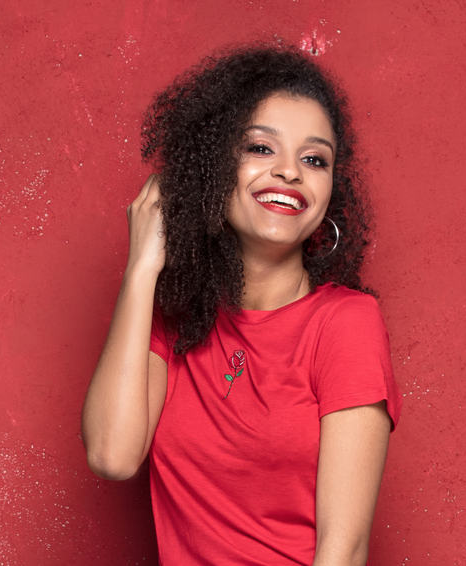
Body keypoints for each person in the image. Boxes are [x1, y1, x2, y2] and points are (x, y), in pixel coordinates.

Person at [82, 45, 401, 565]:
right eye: (260, 148)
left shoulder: (345, 324)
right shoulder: (174, 316)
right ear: (211, 167)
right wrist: (142, 269)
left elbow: (343, 550)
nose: (290, 173)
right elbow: (112, 455)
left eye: (314, 158)